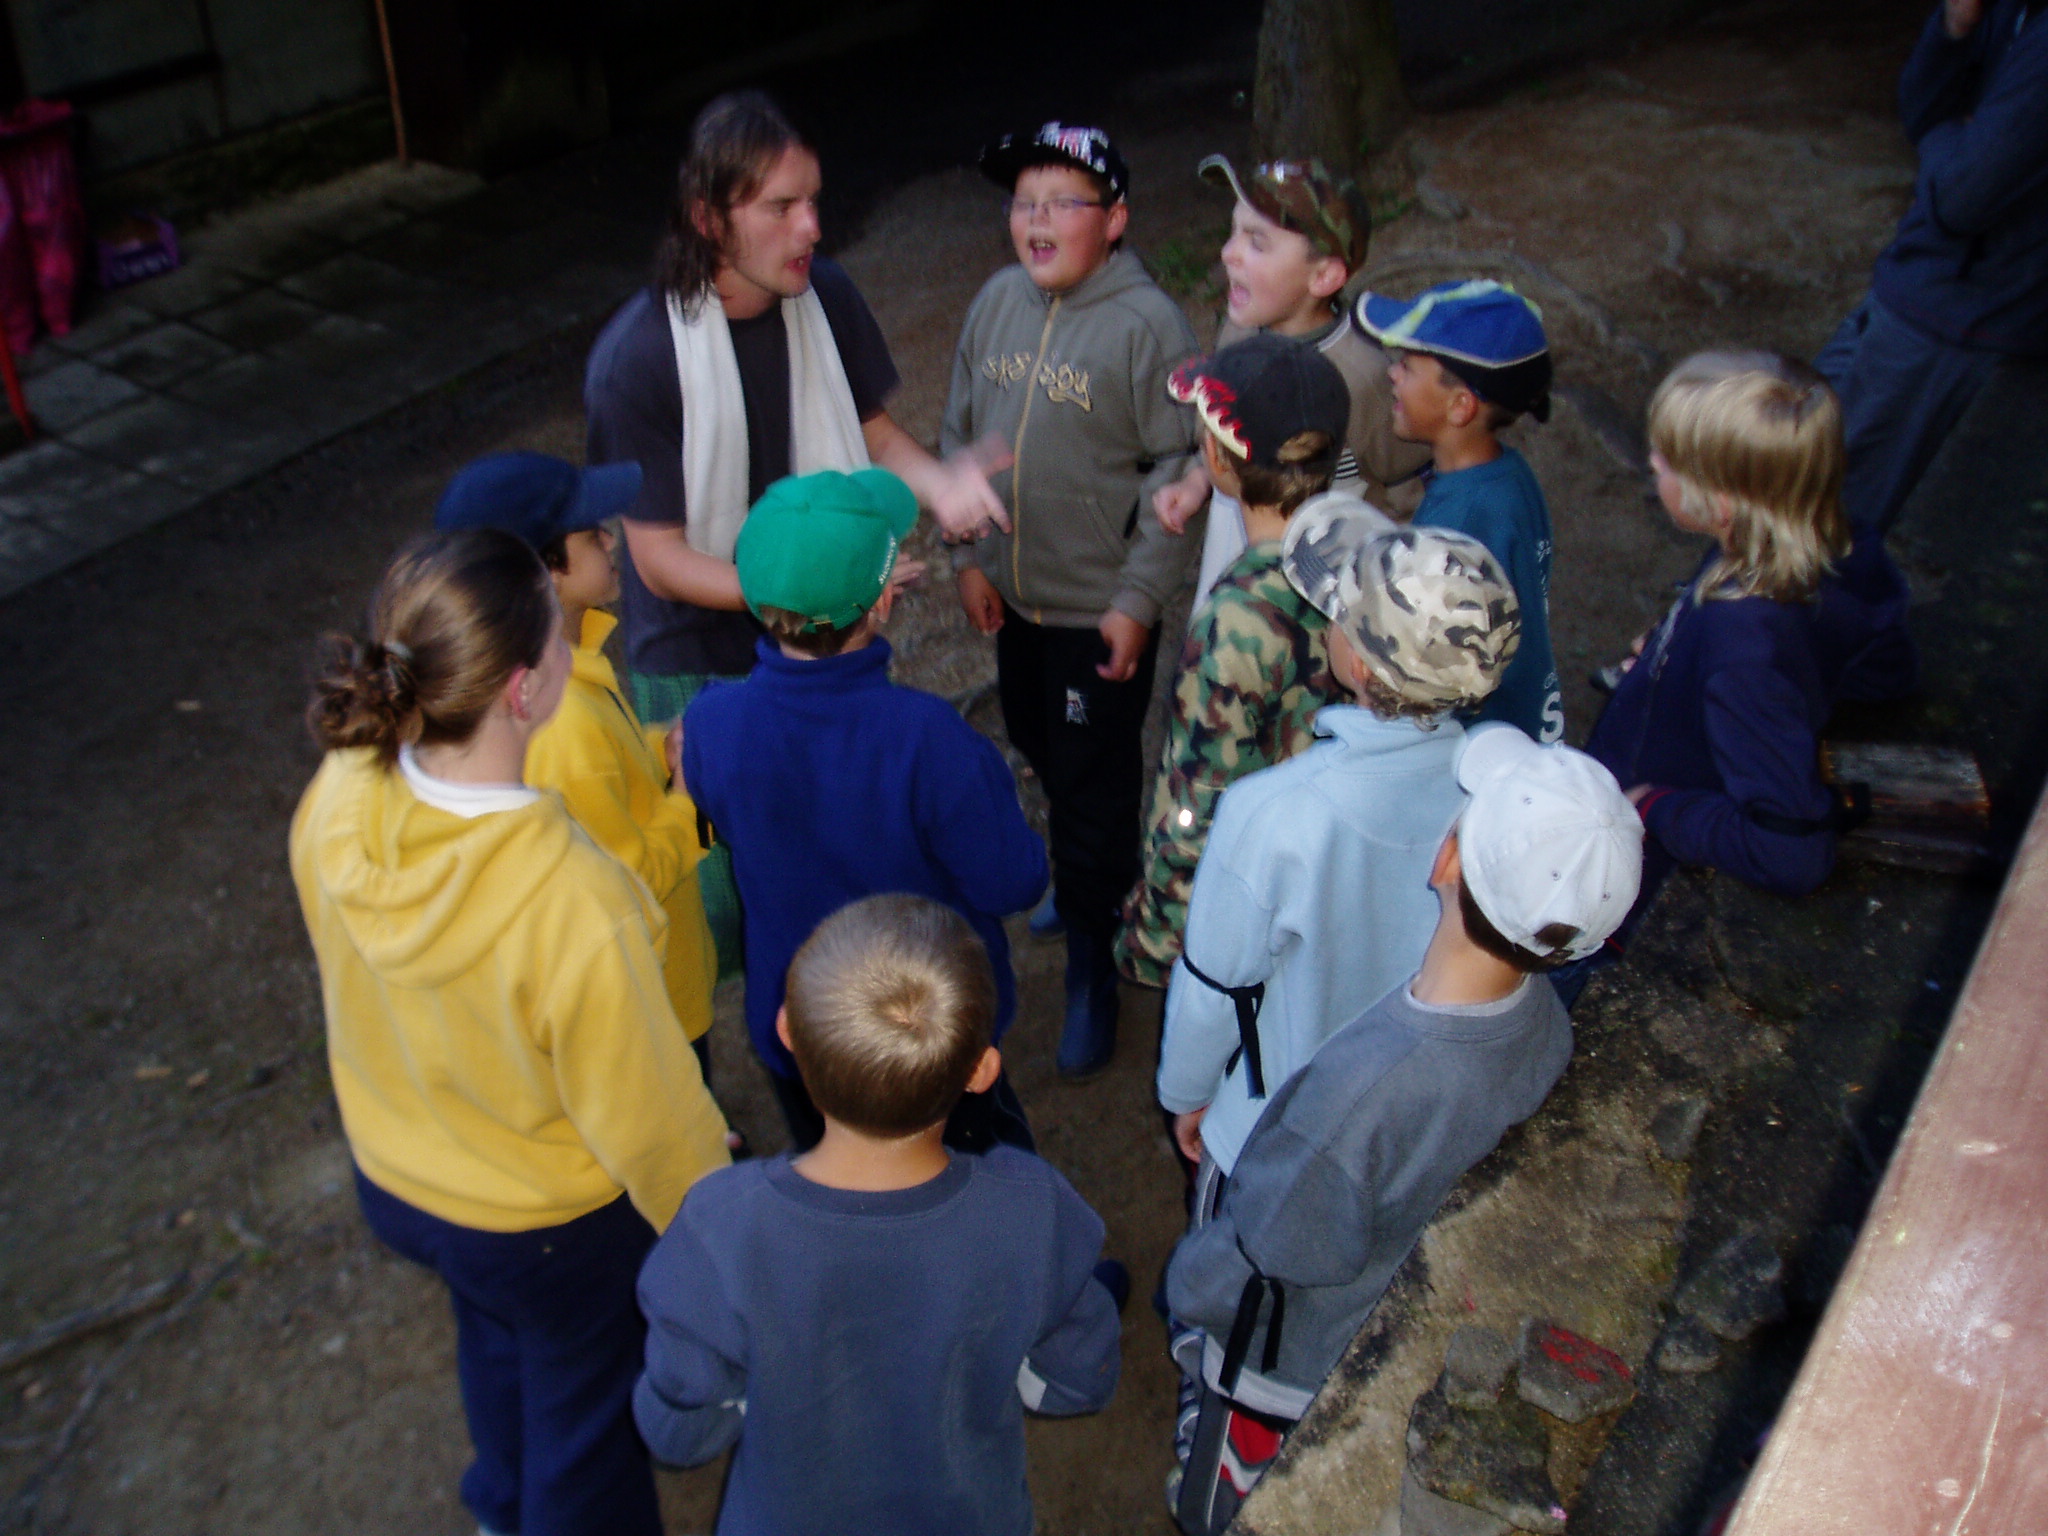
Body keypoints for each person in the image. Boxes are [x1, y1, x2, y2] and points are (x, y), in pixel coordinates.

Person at [290, 529, 730, 1536]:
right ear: (526, 691)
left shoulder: (341, 792)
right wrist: (712, 1217)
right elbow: (651, 1123)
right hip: (544, 1226)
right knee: (589, 1418)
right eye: (559, 639)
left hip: (403, 1177)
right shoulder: (574, 900)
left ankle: (499, 1503)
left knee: (494, 1338)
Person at [1161, 726, 1642, 1535]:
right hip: (1385, 1311)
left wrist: (1186, 1288)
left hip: (1283, 1365)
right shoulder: (1545, 1022)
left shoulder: (1360, 1097)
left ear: (1445, 861)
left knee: (1220, 1497)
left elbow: (1265, 1253)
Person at [585, 89, 1008, 976]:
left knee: (826, 867)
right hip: (693, 659)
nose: (811, 227)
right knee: (721, 904)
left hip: (817, 644)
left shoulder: (826, 294)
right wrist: (812, 590)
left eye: (813, 200)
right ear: (708, 218)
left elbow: (874, 432)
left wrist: (941, 483)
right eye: (780, 207)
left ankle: (836, 1023)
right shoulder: (639, 359)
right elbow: (658, 561)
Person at [635, 894, 1125, 1536]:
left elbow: (681, 1430)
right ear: (981, 1072)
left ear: (787, 1032)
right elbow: (1080, 1376)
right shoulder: (1031, 1209)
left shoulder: (719, 1224)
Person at [682, 468, 1048, 1152]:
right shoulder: (931, 739)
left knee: (840, 1189)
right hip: (927, 1039)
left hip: (805, 1035)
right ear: (882, 600)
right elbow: (1013, 882)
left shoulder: (710, 721)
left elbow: (722, 820)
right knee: (981, 1183)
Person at [1157, 501, 1521, 1185]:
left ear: (1359, 661)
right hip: (1414, 1120)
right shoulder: (1498, 796)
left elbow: (1215, 988)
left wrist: (1188, 1093)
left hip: (1283, 1126)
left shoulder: (1268, 813)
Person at [945, 120, 1203, 1077]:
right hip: (1017, 603)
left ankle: (1097, 956)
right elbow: (959, 428)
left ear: (1116, 219)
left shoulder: (1147, 325)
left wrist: (1138, 597)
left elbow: (1178, 466)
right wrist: (969, 555)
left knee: (1094, 784)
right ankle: (1083, 877)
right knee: (1039, 742)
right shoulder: (996, 303)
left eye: (1063, 201)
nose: (1037, 220)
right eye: (1024, 202)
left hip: (1099, 614)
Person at [433, 452, 720, 1080]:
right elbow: (628, 880)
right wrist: (695, 804)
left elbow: (606, 780)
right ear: (543, 571)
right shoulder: (563, 721)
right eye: (591, 534)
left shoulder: (567, 667)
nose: (610, 540)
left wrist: (659, 750)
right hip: (653, 1009)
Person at [1583, 353, 1857, 962]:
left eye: (1668, 459)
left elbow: (1791, 850)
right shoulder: (1766, 551)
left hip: (1633, 881)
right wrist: (1670, 651)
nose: (1653, 462)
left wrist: (1658, 808)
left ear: (1720, 500)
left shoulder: (1743, 651)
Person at [1118, 334, 1354, 989]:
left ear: (1218, 457)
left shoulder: (1236, 619)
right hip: (1333, 879)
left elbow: (1195, 797)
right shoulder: (1363, 556)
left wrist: (1156, 939)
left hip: (1251, 904)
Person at [1153, 155, 1431, 608]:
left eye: (1257, 242)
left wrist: (1378, 605)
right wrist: (1196, 481)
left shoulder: (1363, 377)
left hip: (1318, 600)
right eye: (1232, 232)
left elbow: (1405, 499)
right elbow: (1219, 437)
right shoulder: (1239, 333)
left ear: (1324, 276)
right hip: (1233, 564)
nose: (1228, 253)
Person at [1816, 0, 2047, 539]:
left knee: (1822, 520)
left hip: (1961, 319)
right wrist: (1954, 26)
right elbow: (1922, 110)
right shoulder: (2007, 10)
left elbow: (1961, 196)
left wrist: (1948, 142)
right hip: (1919, 283)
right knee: (1781, 469)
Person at [1357, 278, 1563, 743]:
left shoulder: (1460, 525)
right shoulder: (1508, 476)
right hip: (1519, 721)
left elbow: (1429, 669)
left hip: (1472, 742)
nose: (1392, 374)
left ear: (1460, 407)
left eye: (1408, 367)